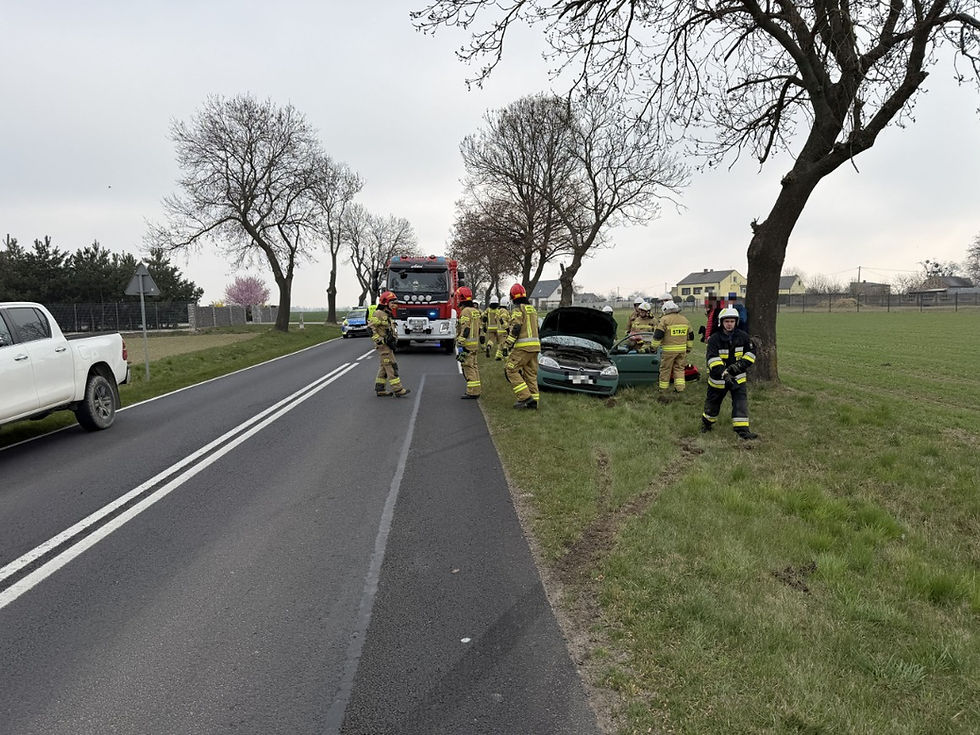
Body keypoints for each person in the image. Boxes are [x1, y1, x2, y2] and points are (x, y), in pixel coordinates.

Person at [701, 306, 758, 439]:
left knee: (740, 403)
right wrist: (725, 374)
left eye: (732, 321)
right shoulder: (714, 339)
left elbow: (751, 354)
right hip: (718, 379)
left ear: (736, 322)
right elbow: (712, 359)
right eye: (727, 321)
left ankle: (743, 431)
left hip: (738, 378)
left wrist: (737, 367)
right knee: (713, 404)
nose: (729, 324)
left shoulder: (743, 337)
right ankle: (707, 424)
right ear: (721, 322)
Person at [503, 283, 540, 409]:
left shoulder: (518, 310)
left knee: (511, 369)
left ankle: (525, 397)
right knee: (531, 374)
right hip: (535, 348)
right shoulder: (532, 310)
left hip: (523, 348)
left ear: (513, 296)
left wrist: (508, 343)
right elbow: (538, 328)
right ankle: (534, 402)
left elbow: (516, 327)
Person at [369, 291, 410, 397]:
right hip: (384, 346)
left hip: (388, 345)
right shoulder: (379, 314)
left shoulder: (386, 314)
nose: (394, 305)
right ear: (385, 302)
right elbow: (370, 328)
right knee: (392, 367)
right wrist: (378, 340)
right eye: (392, 303)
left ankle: (380, 389)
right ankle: (398, 389)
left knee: (384, 366)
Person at [651, 300, 693, 392]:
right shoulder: (684, 319)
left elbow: (658, 335)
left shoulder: (664, 320)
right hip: (682, 350)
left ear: (665, 310)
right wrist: (689, 348)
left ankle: (663, 388)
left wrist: (653, 347)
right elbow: (691, 336)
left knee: (665, 369)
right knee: (679, 369)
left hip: (668, 351)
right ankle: (680, 388)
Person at [455, 286, 482, 399]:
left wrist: (460, 343)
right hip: (474, 344)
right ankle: (476, 389)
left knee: (468, 367)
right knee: (474, 366)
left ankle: (472, 392)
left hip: (467, 345)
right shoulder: (475, 311)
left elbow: (465, 328)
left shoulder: (465, 311)